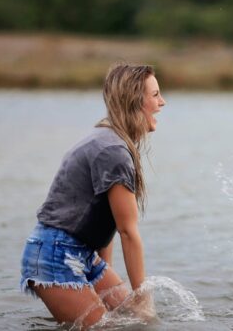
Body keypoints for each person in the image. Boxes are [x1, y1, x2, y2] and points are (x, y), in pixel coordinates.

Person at [20, 63, 165, 328]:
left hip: (81, 254)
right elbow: (127, 231)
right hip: (55, 254)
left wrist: (103, 278)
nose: (162, 102)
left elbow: (103, 221)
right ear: (135, 101)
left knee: (136, 320)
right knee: (116, 324)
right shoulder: (114, 152)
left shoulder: (111, 140)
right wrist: (142, 295)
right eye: (155, 95)